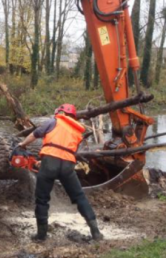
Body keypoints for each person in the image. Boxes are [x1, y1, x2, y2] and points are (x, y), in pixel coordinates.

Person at [18, 103, 103, 241]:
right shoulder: (77, 131)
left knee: (42, 199)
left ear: (61, 112)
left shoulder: (54, 121)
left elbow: (35, 134)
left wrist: (22, 144)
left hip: (50, 164)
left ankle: (41, 235)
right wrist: (43, 161)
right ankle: (96, 231)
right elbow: (66, 151)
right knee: (79, 197)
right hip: (67, 166)